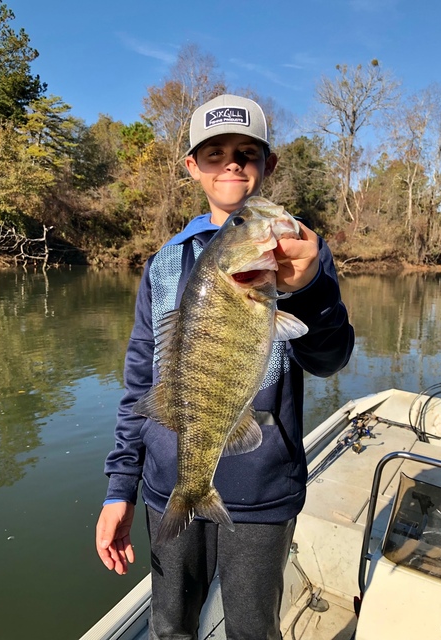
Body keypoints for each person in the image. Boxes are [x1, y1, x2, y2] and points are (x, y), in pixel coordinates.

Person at [95, 94, 355, 640]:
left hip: (264, 489)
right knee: (170, 626)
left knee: (252, 630)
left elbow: (329, 360)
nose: (231, 163)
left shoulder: (302, 256)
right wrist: (120, 487)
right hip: (170, 482)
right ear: (193, 166)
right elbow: (141, 381)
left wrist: (306, 291)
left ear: (268, 164)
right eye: (214, 153)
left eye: (246, 152)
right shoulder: (164, 263)